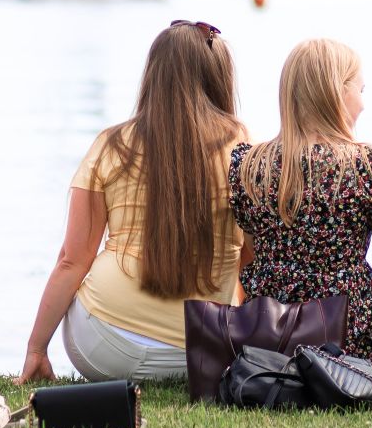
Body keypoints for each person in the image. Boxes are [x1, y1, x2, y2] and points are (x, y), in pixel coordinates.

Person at [17, 20, 248, 384]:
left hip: (104, 347)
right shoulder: (243, 151)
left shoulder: (112, 146)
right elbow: (250, 262)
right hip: (199, 354)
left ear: (153, 75)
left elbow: (72, 261)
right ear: (219, 79)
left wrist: (36, 349)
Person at [229, 38, 372, 386]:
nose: (363, 104)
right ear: (339, 93)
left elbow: (257, 252)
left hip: (271, 335)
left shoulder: (249, 164)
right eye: (360, 90)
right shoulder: (365, 164)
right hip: (343, 336)